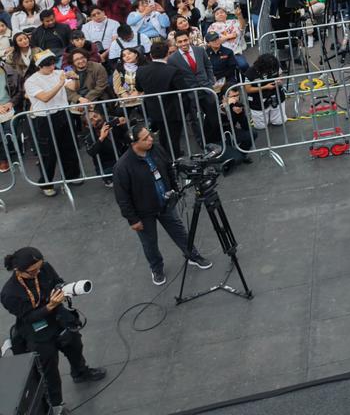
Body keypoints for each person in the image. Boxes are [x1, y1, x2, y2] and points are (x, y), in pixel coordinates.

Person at [2, 246, 106, 414]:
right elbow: (28, 317)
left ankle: (80, 372)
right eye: (32, 271)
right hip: (38, 332)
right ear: (18, 271)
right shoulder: (9, 293)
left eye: (39, 267)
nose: (38, 272)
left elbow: (57, 280)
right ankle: (56, 406)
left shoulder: (44, 268)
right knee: (49, 370)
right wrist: (50, 305)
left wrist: (63, 289)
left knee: (75, 345)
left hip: (59, 319)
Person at [111, 124, 213, 286]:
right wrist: (133, 219)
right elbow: (122, 197)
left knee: (179, 231)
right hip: (143, 213)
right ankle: (156, 269)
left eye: (149, 135)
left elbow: (168, 168)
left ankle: (192, 255)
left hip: (165, 204)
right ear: (134, 143)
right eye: (145, 138)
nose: (150, 139)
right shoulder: (123, 166)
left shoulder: (156, 149)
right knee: (150, 243)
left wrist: (174, 189)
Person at [25, 50, 83, 197]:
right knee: (48, 153)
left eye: (53, 63)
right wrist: (60, 83)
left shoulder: (58, 73)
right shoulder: (31, 81)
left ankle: (72, 175)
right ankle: (46, 182)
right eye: (48, 65)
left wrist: (75, 78)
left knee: (69, 147)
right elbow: (45, 97)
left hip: (63, 113)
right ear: (39, 66)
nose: (52, 67)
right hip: (45, 118)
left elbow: (73, 88)